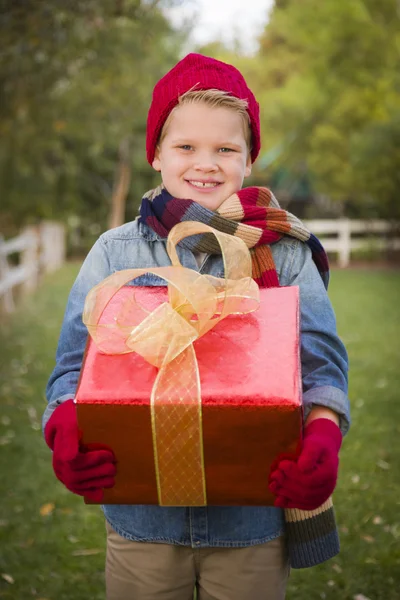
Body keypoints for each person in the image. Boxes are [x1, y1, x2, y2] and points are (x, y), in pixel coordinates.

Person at [43, 54, 350, 600]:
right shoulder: (115, 254)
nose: (204, 164)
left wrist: (323, 429)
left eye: (226, 149)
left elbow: (320, 363)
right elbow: (74, 365)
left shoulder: (286, 252)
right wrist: (63, 422)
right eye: (185, 146)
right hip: (141, 522)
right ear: (157, 154)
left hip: (252, 521)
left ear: (249, 159)